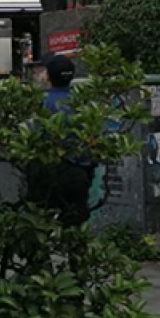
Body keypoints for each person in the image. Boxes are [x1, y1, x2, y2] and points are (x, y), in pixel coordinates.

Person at [27, 53, 94, 225]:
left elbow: (32, 136)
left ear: (48, 76)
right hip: (79, 172)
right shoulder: (82, 102)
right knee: (75, 221)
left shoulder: (43, 102)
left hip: (49, 172)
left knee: (43, 221)